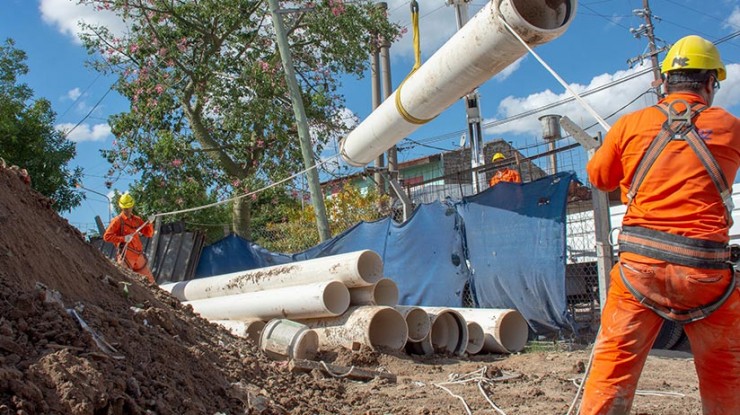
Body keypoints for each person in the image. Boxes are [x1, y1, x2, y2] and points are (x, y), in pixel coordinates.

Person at [582, 35, 740, 414]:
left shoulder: (629, 125)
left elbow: (599, 178)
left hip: (641, 270)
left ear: (664, 82)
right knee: (725, 374)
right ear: (709, 83)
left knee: (611, 371)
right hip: (706, 274)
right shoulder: (731, 126)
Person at [104, 192, 156, 284]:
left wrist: (150, 223)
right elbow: (107, 237)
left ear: (132, 206)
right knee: (126, 281)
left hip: (138, 255)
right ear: (122, 207)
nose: (128, 210)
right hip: (126, 256)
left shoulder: (136, 219)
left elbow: (148, 233)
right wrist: (123, 239)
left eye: (129, 207)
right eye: (126, 208)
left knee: (150, 282)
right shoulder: (117, 221)